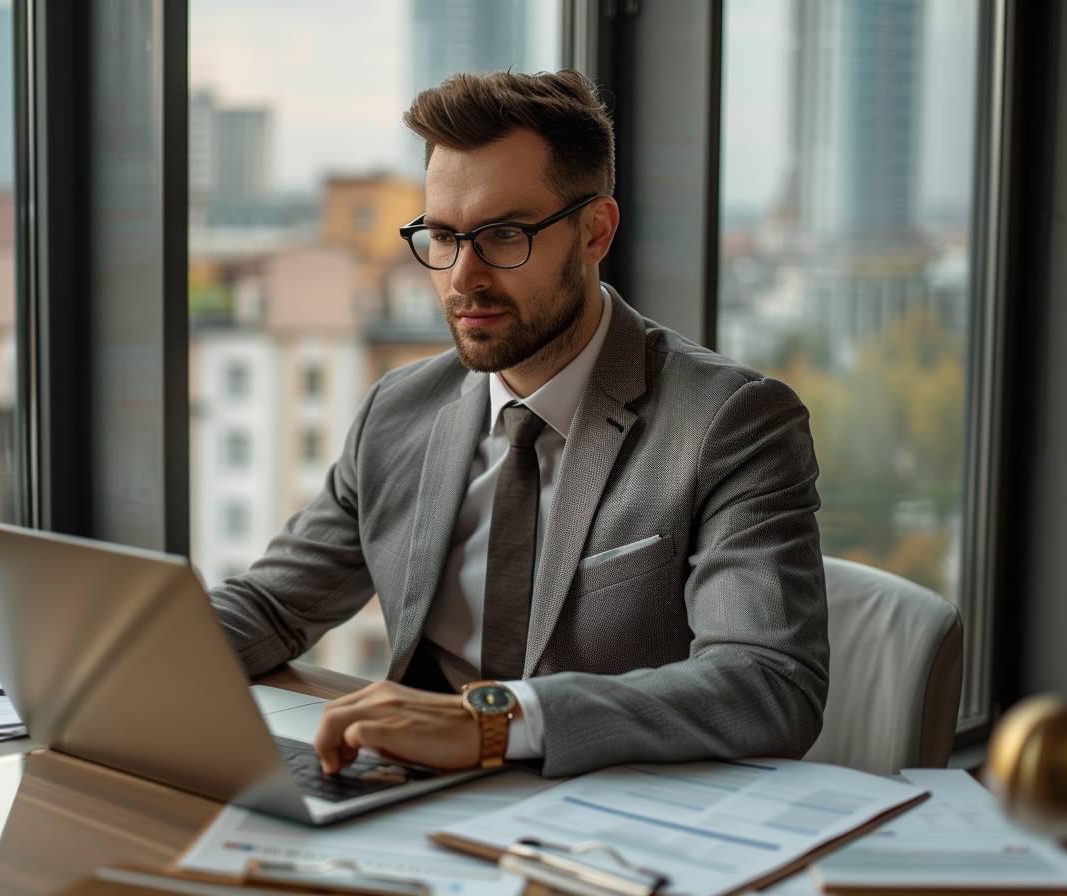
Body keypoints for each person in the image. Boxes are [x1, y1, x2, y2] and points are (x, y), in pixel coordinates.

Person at [209, 69, 828, 779]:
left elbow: (769, 683)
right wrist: (109, 663)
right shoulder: (398, 411)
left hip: (603, 826)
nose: (463, 276)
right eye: (443, 236)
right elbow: (271, 605)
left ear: (594, 232)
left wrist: (496, 724)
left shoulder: (732, 422)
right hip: (401, 801)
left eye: (503, 234)